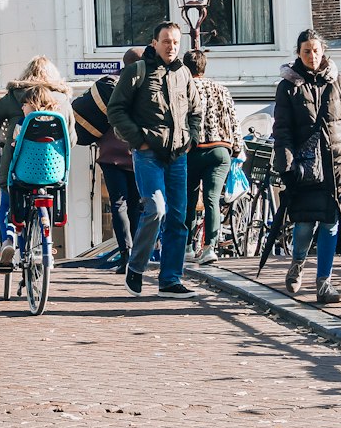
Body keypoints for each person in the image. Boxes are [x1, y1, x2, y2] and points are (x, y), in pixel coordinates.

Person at [106, 20, 202, 298]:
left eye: (175, 42)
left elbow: (196, 110)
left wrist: (190, 139)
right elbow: (116, 110)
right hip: (148, 153)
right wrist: (139, 140)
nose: (171, 46)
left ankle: (170, 279)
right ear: (154, 43)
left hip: (178, 155)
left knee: (177, 218)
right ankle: (136, 267)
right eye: (166, 41)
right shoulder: (138, 71)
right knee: (156, 209)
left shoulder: (184, 73)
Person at [274, 28, 341, 304]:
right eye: (306, 51)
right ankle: (298, 262)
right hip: (307, 166)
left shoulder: (338, 82)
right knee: (304, 224)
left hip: (338, 164)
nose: (312, 56)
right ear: (298, 54)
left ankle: (324, 283)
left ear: (323, 51)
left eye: (316, 50)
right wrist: (287, 166)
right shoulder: (288, 87)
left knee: (330, 223)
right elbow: (283, 130)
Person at [0, 56, 75, 271]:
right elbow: (72, 139)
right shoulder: (63, 100)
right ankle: (44, 241)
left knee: (8, 202)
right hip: (53, 171)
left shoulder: (15, 97)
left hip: (17, 170)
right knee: (48, 195)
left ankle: (8, 241)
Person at [183, 50, 243, 265]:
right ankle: (210, 247)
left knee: (189, 199)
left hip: (194, 150)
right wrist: (236, 148)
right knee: (212, 199)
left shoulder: (186, 87)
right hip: (220, 150)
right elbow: (233, 120)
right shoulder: (222, 89)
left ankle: (188, 247)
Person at [96, 48, 143, 275]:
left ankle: (125, 254)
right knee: (136, 206)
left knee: (118, 205)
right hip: (137, 154)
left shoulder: (109, 85)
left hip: (109, 155)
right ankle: (134, 257)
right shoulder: (145, 85)